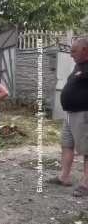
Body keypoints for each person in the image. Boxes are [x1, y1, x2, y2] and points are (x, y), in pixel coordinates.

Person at [48, 39, 88, 197]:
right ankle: (63, 177)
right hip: (70, 114)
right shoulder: (78, 65)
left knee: (87, 151)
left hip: (84, 114)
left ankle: (86, 184)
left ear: (85, 49)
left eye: (74, 51)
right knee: (66, 144)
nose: (71, 55)